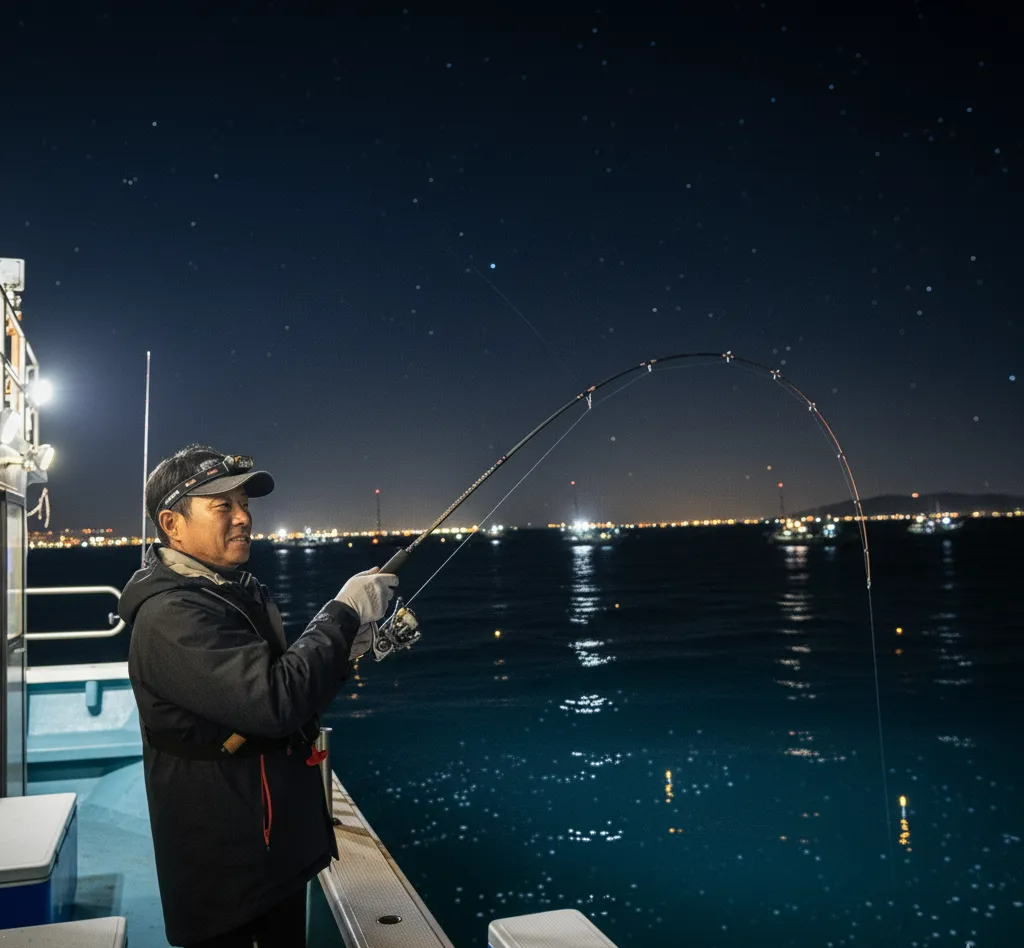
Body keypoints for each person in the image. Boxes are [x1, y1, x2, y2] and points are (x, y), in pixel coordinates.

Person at [118, 443, 398, 947]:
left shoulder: (224, 591)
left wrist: (345, 648)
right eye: (222, 506)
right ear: (172, 523)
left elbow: (289, 693)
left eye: (244, 504)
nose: (244, 517)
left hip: (266, 849)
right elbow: (274, 702)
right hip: (230, 873)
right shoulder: (172, 617)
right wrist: (341, 614)